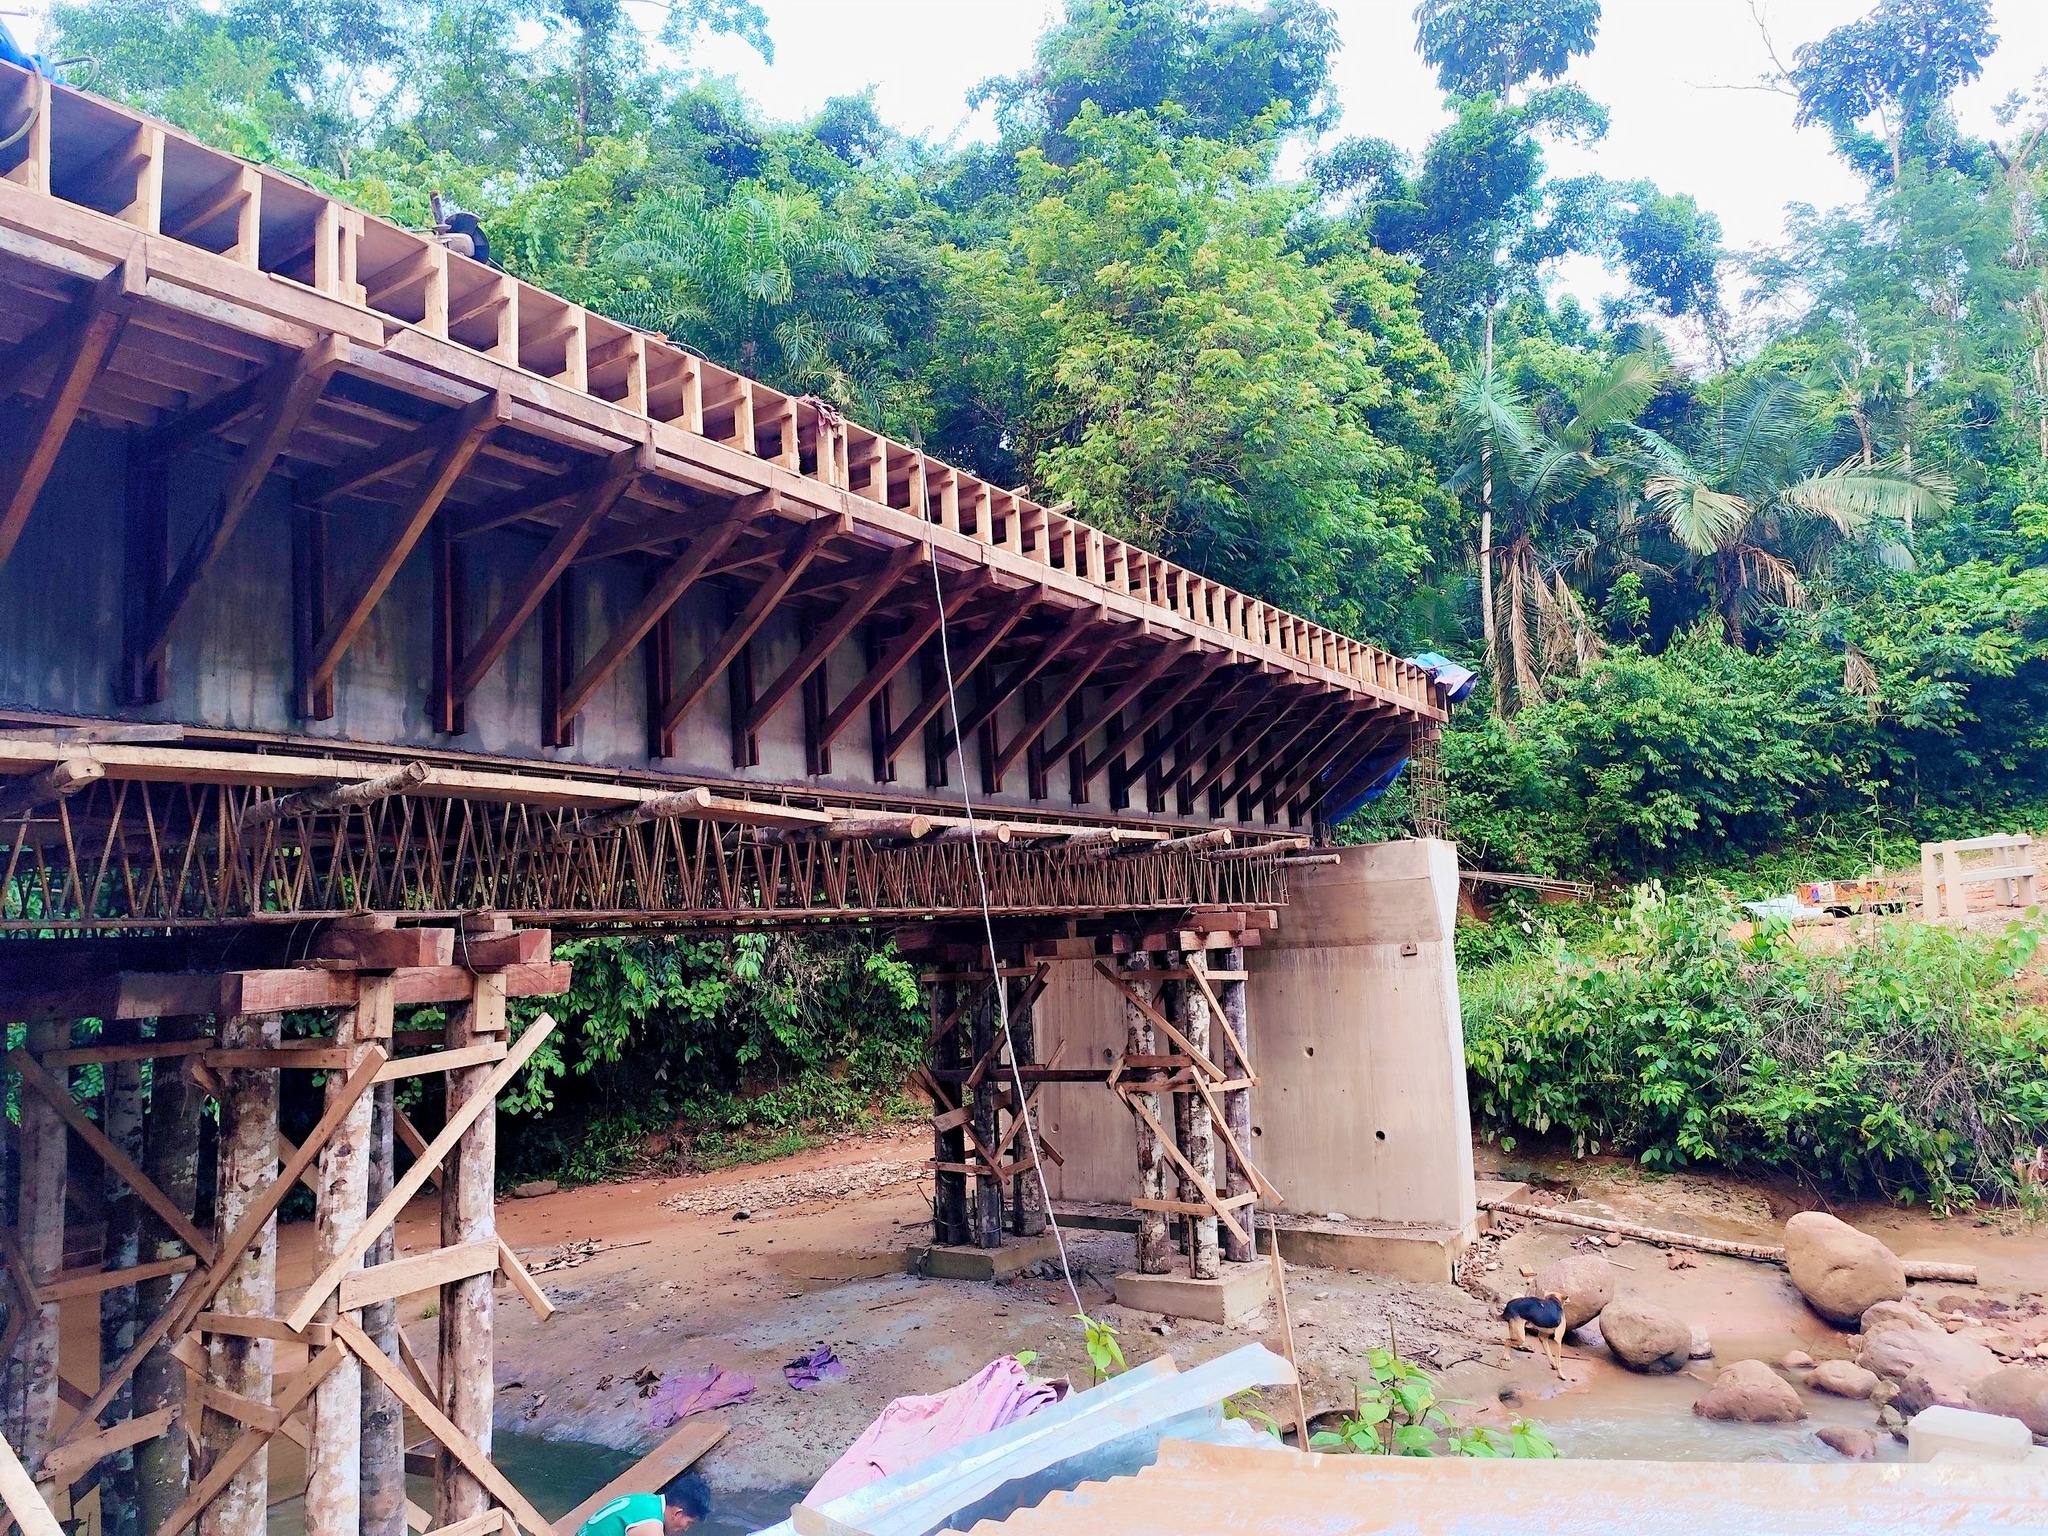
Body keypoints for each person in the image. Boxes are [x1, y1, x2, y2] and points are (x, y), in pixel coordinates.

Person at [576, 1472, 711, 1536]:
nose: (685, 1529)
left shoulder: (645, 1500)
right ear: (677, 1513)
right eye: (688, 1523)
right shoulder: (651, 1527)